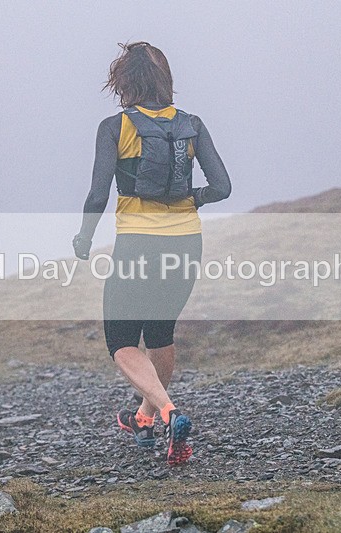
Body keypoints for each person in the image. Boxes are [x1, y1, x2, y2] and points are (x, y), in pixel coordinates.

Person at [73, 41, 231, 466]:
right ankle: (144, 417)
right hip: (186, 243)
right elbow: (222, 188)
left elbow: (97, 194)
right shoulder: (191, 125)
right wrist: (190, 197)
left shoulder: (114, 126)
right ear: (166, 81)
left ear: (123, 83)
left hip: (138, 244)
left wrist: (84, 238)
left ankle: (169, 412)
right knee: (160, 333)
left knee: (122, 340)